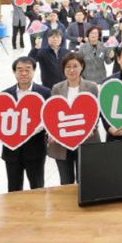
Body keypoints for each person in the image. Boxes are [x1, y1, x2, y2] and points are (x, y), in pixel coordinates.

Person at [48, 52, 101, 185]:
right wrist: (52, 132)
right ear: (63, 69)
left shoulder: (91, 87)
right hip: (62, 141)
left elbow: (95, 112)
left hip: (87, 139)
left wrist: (91, 127)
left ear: (82, 67)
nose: (71, 70)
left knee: (85, 180)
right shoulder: (57, 88)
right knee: (66, 181)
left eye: (75, 66)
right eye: (68, 66)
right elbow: (53, 113)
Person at [0, 57, 51, 192]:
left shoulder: (45, 93)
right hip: (12, 150)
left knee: (37, 186)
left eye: (28, 69)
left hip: (35, 148)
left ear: (34, 70)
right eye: (19, 70)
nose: (23, 73)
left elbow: (51, 118)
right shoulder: (5, 95)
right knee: (14, 188)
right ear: (14, 72)